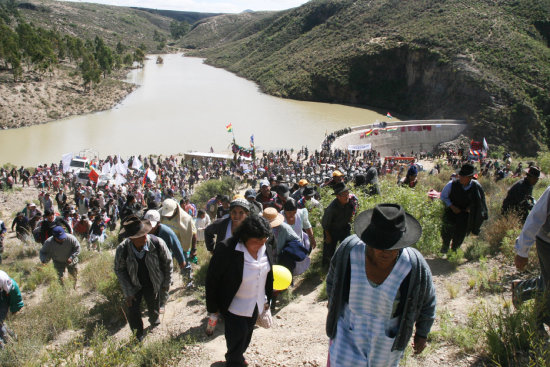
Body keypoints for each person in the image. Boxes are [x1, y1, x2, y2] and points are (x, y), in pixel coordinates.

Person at [326, 204, 436, 366]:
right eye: (381, 246)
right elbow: (333, 279)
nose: (388, 252)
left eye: (394, 247)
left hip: (386, 342)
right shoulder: (349, 251)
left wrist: (422, 333)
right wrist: (332, 302)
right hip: (348, 333)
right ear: (370, 240)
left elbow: (428, 300)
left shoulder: (413, 265)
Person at [205, 215, 274, 367]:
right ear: (244, 237)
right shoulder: (227, 249)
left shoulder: (266, 247)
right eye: (255, 242)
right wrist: (213, 308)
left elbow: (268, 274)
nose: (260, 245)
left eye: (263, 241)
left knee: (247, 334)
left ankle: (236, 356)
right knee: (237, 335)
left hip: (255, 303)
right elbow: (212, 280)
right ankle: (234, 361)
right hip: (234, 304)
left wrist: (267, 299)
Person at [114, 215, 173, 341]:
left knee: (153, 303)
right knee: (133, 310)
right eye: (141, 236)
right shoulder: (123, 249)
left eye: (145, 233)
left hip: (153, 281)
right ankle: (138, 334)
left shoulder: (157, 243)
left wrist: (166, 284)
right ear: (132, 239)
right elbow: (119, 270)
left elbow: (168, 264)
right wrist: (128, 291)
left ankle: (154, 320)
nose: (145, 237)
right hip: (134, 284)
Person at [439, 163, 488, 253]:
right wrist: (452, 206)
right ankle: (445, 247)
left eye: (463, 176)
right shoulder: (452, 184)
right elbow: (443, 196)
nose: (460, 178)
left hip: (465, 215)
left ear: (470, 177)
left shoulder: (475, 187)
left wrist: (471, 208)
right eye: (460, 175)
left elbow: (479, 202)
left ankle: (454, 251)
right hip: (451, 212)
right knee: (446, 231)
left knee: (460, 234)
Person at [143, 209, 187, 309]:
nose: (149, 227)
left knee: (164, 282)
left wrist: (181, 260)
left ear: (158, 223)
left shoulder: (166, 231)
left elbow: (175, 245)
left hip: (163, 261)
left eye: (152, 225)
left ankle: (162, 302)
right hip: (149, 261)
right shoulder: (143, 230)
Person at [158, 199, 197, 285]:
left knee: (185, 265)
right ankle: (168, 282)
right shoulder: (160, 215)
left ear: (176, 209)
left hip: (181, 245)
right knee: (165, 265)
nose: (168, 217)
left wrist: (193, 249)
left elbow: (194, 234)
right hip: (166, 245)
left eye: (170, 215)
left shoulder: (186, 219)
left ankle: (187, 283)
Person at [321, 182, 359, 266]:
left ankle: (347, 263)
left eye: (347, 193)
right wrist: (328, 236)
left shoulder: (351, 202)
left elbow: (353, 213)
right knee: (329, 249)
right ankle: (327, 266)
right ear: (338, 196)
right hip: (331, 230)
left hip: (344, 227)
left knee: (348, 246)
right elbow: (325, 223)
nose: (347, 196)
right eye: (344, 195)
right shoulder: (331, 209)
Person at [0, 270, 24, 349]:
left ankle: (3, 348)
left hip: (3, 299)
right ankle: (13, 337)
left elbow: (14, 289)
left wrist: (16, 306)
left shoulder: (2, 277)